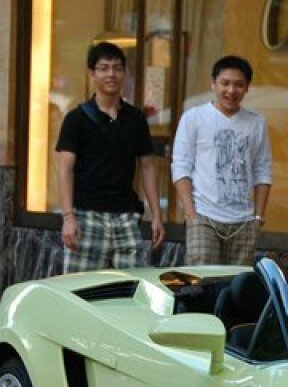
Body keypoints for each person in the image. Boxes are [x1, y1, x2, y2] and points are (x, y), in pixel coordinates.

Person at [55, 41, 164, 273]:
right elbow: (65, 169)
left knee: (130, 291)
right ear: (92, 74)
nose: (111, 74)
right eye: (103, 68)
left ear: (124, 73)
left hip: (126, 216)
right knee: (81, 293)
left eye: (117, 68)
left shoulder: (136, 119)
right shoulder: (76, 119)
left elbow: (148, 167)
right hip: (86, 215)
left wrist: (156, 215)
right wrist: (68, 217)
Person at [171, 55, 273, 265]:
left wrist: (258, 217)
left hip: (244, 220)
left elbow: (263, 169)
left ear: (247, 87)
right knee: (202, 282)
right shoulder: (194, 117)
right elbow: (181, 166)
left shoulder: (256, 122)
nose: (231, 90)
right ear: (213, 83)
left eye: (238, 85)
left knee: (236, 286)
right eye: (225, 83)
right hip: (203, 216)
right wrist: (191, 214)